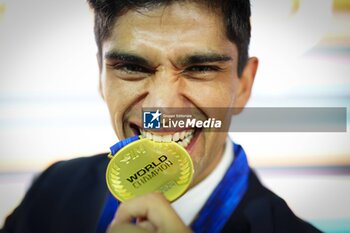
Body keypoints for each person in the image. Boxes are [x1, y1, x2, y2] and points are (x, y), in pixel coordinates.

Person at [1, 0, 321, 232]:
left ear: (244, 85)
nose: (161, 107)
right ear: (101, 77)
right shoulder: (53, 189)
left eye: (200, 68)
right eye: (132, 67)